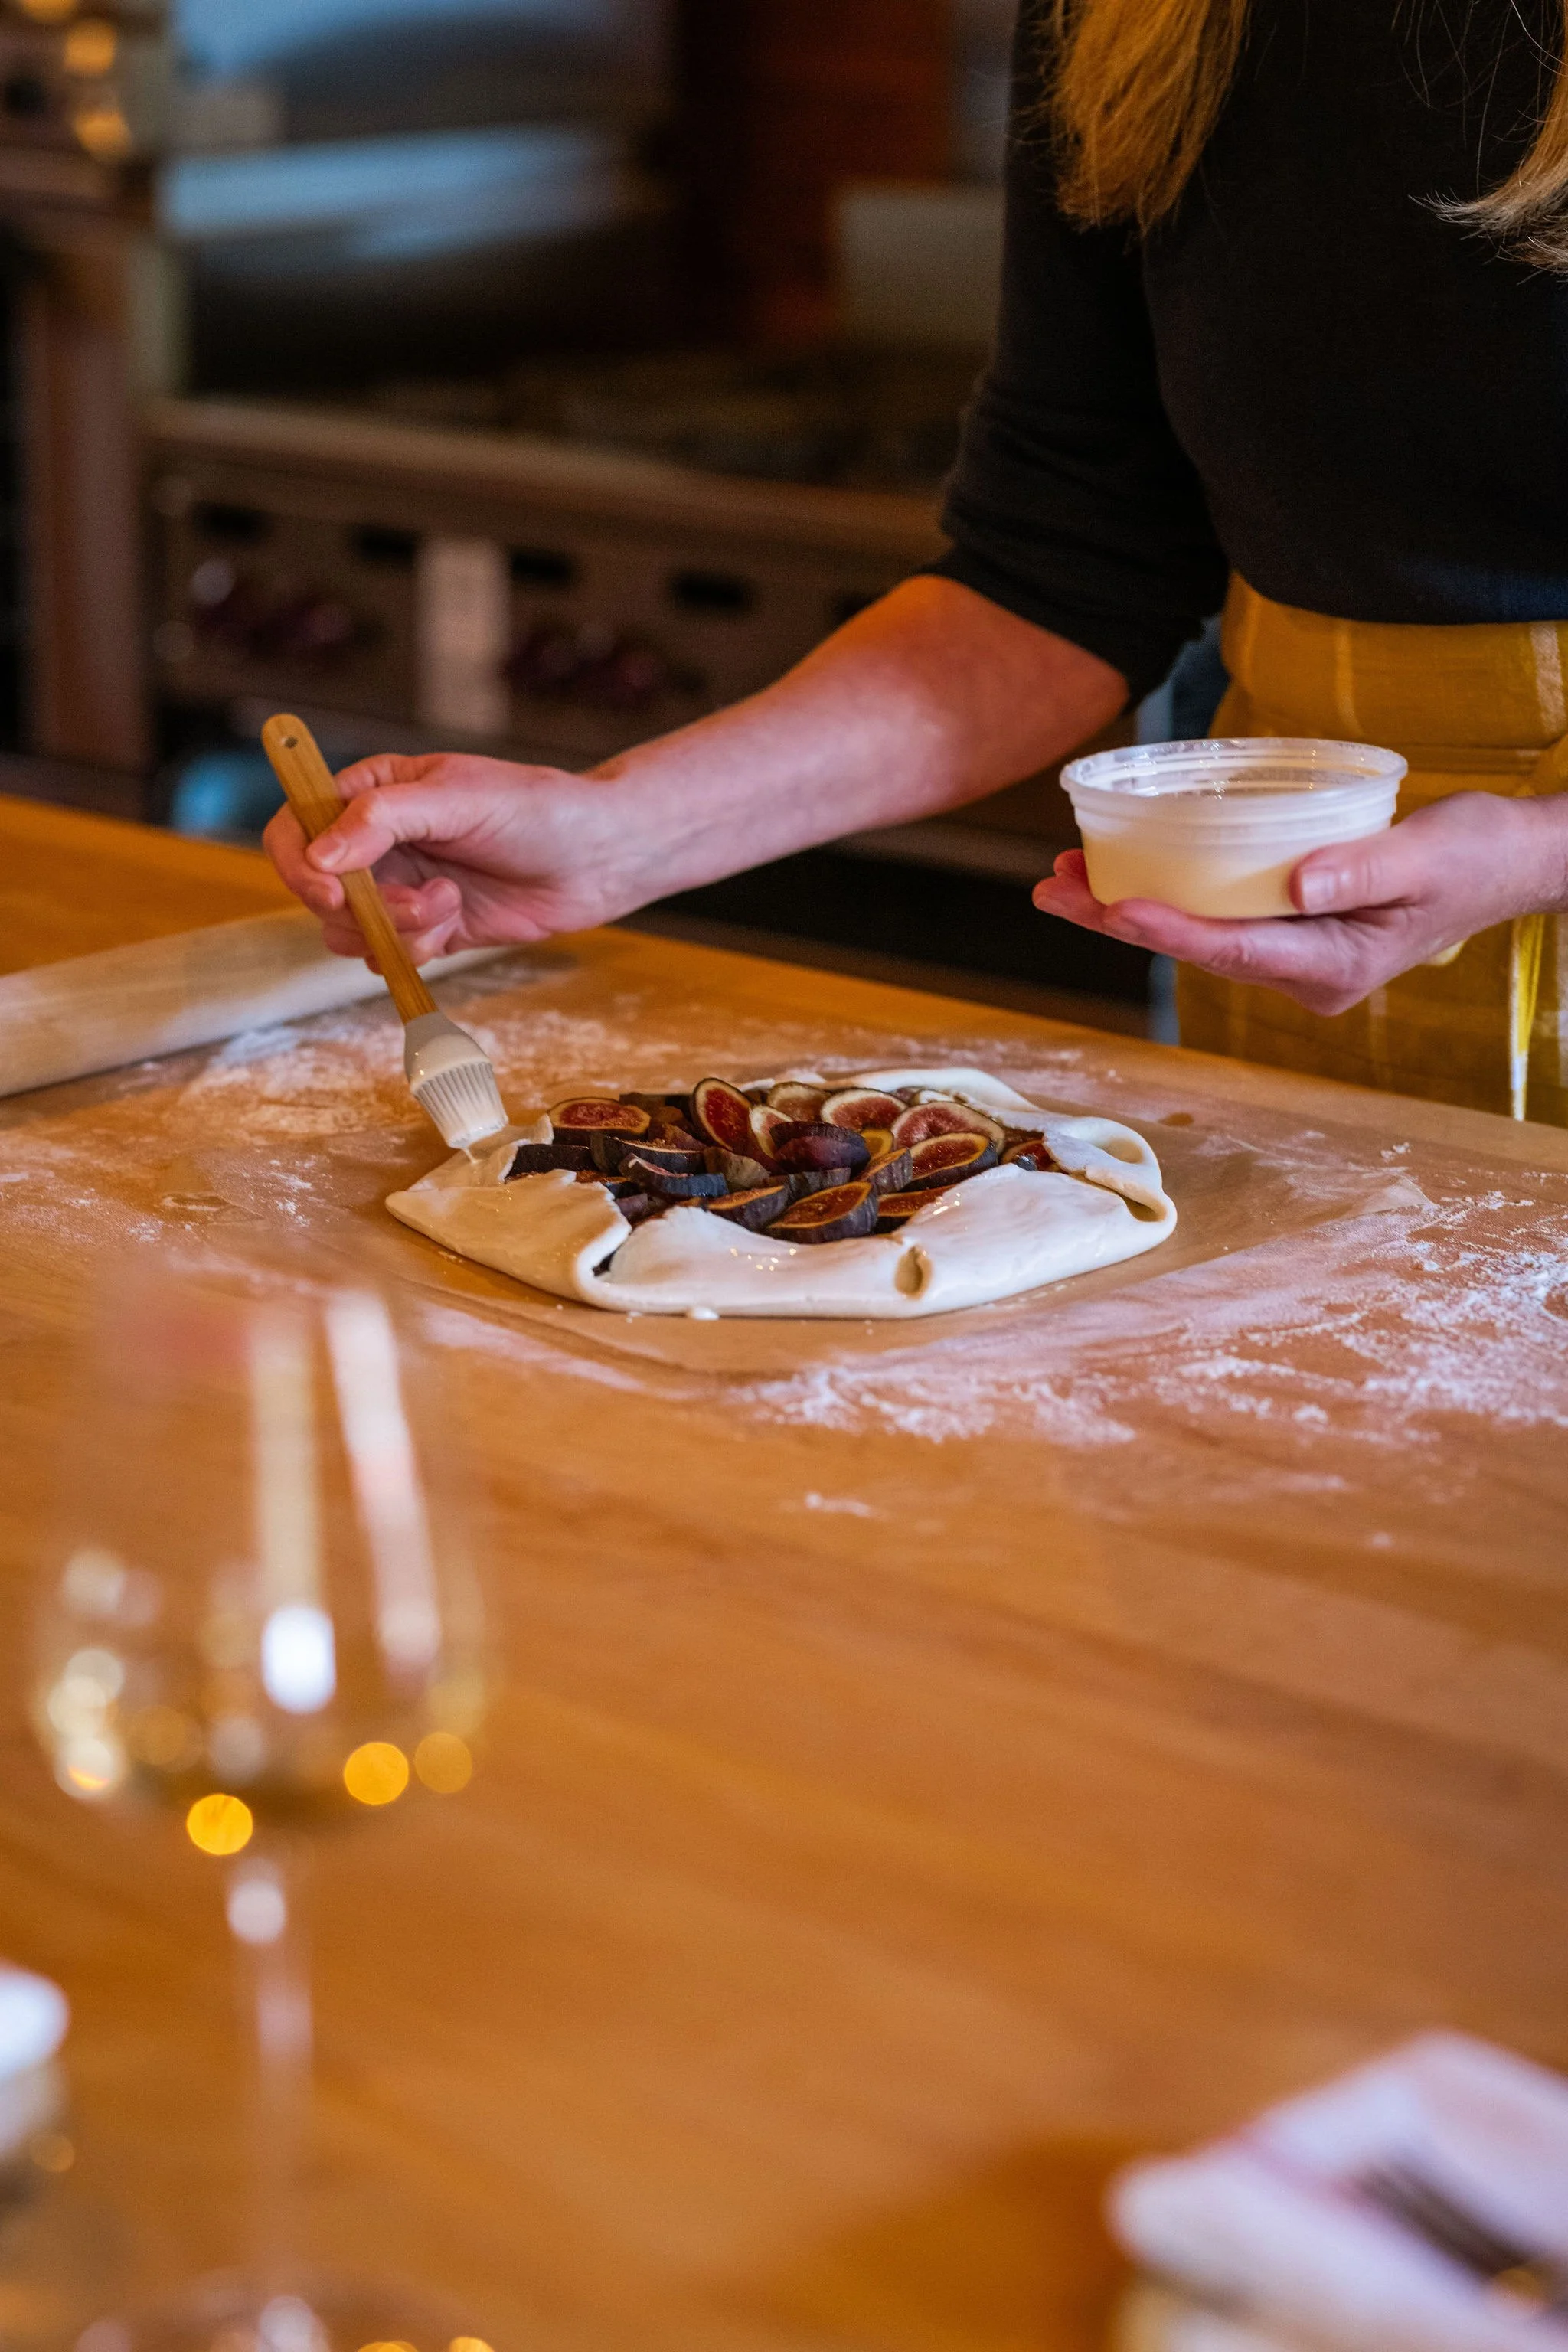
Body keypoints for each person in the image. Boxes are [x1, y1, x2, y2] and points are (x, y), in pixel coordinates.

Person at [267, 0, 1568, 1125]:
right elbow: (1060, 570)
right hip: (1305, 985)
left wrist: (1533, 852)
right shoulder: (1139, 20)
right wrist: (617, 834)